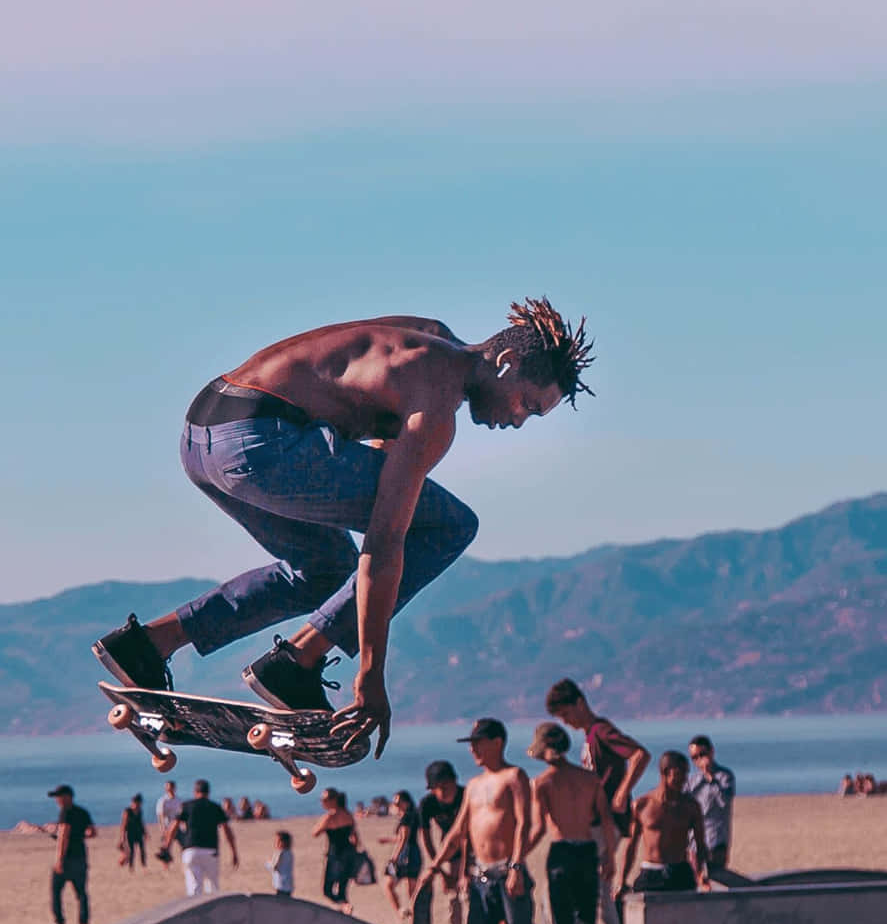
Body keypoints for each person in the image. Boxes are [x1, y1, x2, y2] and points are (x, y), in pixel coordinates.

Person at [92, 300, 595, 759]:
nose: (519, 421)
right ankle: (297, 661)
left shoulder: (428, 335)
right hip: (261, 444)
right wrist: (370, 675)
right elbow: (384, 544)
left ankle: (149, 644)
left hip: (202, 438)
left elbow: (353, 401)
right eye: (528, 404)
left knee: (324, 570)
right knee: (450, 526)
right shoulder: (436, 406)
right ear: (506, 365)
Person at [545, 678, 649, 924]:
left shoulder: (601, 731)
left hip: (605, 822)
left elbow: (639, 755)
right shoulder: (590, 736)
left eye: (567, 714)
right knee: (592, 891)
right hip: (592, 822)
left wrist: (621, 793)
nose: (566, 722)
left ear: (580, 703)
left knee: (599, 891)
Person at [427, 718, 540, 924]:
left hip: (508, 874)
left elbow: (524, 823)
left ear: (497, 743)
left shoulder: (514, 776)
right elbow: (457, 832)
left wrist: (516, 867)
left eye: (478, 743)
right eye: (471, 744)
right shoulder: (473, 785)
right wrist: (435, 866)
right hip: (481, 879)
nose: (473, 749)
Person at [526, 722, 617, 924]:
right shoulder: (589, 779)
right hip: (588, 851)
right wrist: (609, 856)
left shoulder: (542, 783)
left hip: (562, 852)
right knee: (587, 921)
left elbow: (537, 828)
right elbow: (606, 820)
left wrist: (517, 856)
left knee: (564, 923)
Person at [618, 752, 710, 895]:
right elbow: (631, 846)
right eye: (680, 773)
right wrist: (621, 880)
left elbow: (700, 845)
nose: (684, 779)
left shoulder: (690, 806)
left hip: (680, 871)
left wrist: (701, 874)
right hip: (651, 872)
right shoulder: (642, 805)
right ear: (666, 772)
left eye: (686, 773)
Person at [419, 760, 467, 924]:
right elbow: (426, 838)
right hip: (446, 855)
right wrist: (439, 870)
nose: (442, 792)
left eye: (446, 787)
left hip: (471, 850)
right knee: (452, 905)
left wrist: (464, 871)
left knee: (471, 901)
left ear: (455, 782)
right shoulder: (428, 804)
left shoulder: (466, 796)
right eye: (437, 789)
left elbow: (467, 837)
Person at [162, 777, 239, 896]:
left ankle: (195, 913)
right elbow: (227, 831)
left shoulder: (186, 806)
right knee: (213, 889)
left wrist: (167, 846)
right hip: (210, 851)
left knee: (194, 889)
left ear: (195, 792)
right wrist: (234, 852)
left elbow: (173, 826)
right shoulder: (215, 807)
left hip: (190, 850)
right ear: (208, 792)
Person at [686, 734, 738, 880]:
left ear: (711, 752)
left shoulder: (725, 776)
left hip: (716, 838)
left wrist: (710, 778)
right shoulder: (693, 780)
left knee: (716, 879)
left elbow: (724, 802)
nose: (699, 760)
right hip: (694, 840)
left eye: (702, 755)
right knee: (694, 879)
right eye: (694, 757)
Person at [48, 783, 95, 924]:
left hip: (69, 858)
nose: (57, 801)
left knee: (56, 890)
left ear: (67, 797)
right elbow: (92, 832)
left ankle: (59, 920)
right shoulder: (82, 812)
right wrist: (80, 834)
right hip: (80, 856)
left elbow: (63, 836)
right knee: (81, 892)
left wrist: (59, 860)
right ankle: (84, 921)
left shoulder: (65, 812)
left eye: (59, 797)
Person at [312, 788, 357, 911]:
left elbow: (315, 833)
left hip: (335, 855)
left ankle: (345, 906)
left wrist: (325, 819)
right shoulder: (348, 814)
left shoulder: (329, 817)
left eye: (324, 799)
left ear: (333, 800)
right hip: (349, 853)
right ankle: (345, 907)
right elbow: (355, 836)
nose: (322, 802)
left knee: (327, 889)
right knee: (342, 888)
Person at [382, 790, 423, 919]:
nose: (396, 805)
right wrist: (388, 840)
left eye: (398, 802)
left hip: (406, 854)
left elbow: (404, 838)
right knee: (411, 889)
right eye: (394, 802)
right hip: (414, 852)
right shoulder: (413, 815)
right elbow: (405, 837)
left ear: (406, 802)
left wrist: (394, 857)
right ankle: (413, 913)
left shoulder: (406, 817)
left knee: (389, 885)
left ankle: (401, 911)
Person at [118, 793, 147, 869]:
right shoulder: (127, 811)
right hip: (130, 833)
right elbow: (123, 825)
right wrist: (122, 837)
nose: (139, 804)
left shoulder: (140, 811)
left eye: (140, 803)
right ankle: (131, 867)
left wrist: (145, 833)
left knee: (142, 850)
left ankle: (143, 865)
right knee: (131, 851)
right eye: (138, 802)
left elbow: (141, 822)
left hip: (138, 832)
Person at [267, 829, 294, 898]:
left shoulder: (279, 852)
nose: (275, 843)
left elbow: (274, 867)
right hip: (289, 883)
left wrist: (268, 864)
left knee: (280, 901)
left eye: (277, 841)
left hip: (280, 883)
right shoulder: (290, 853)